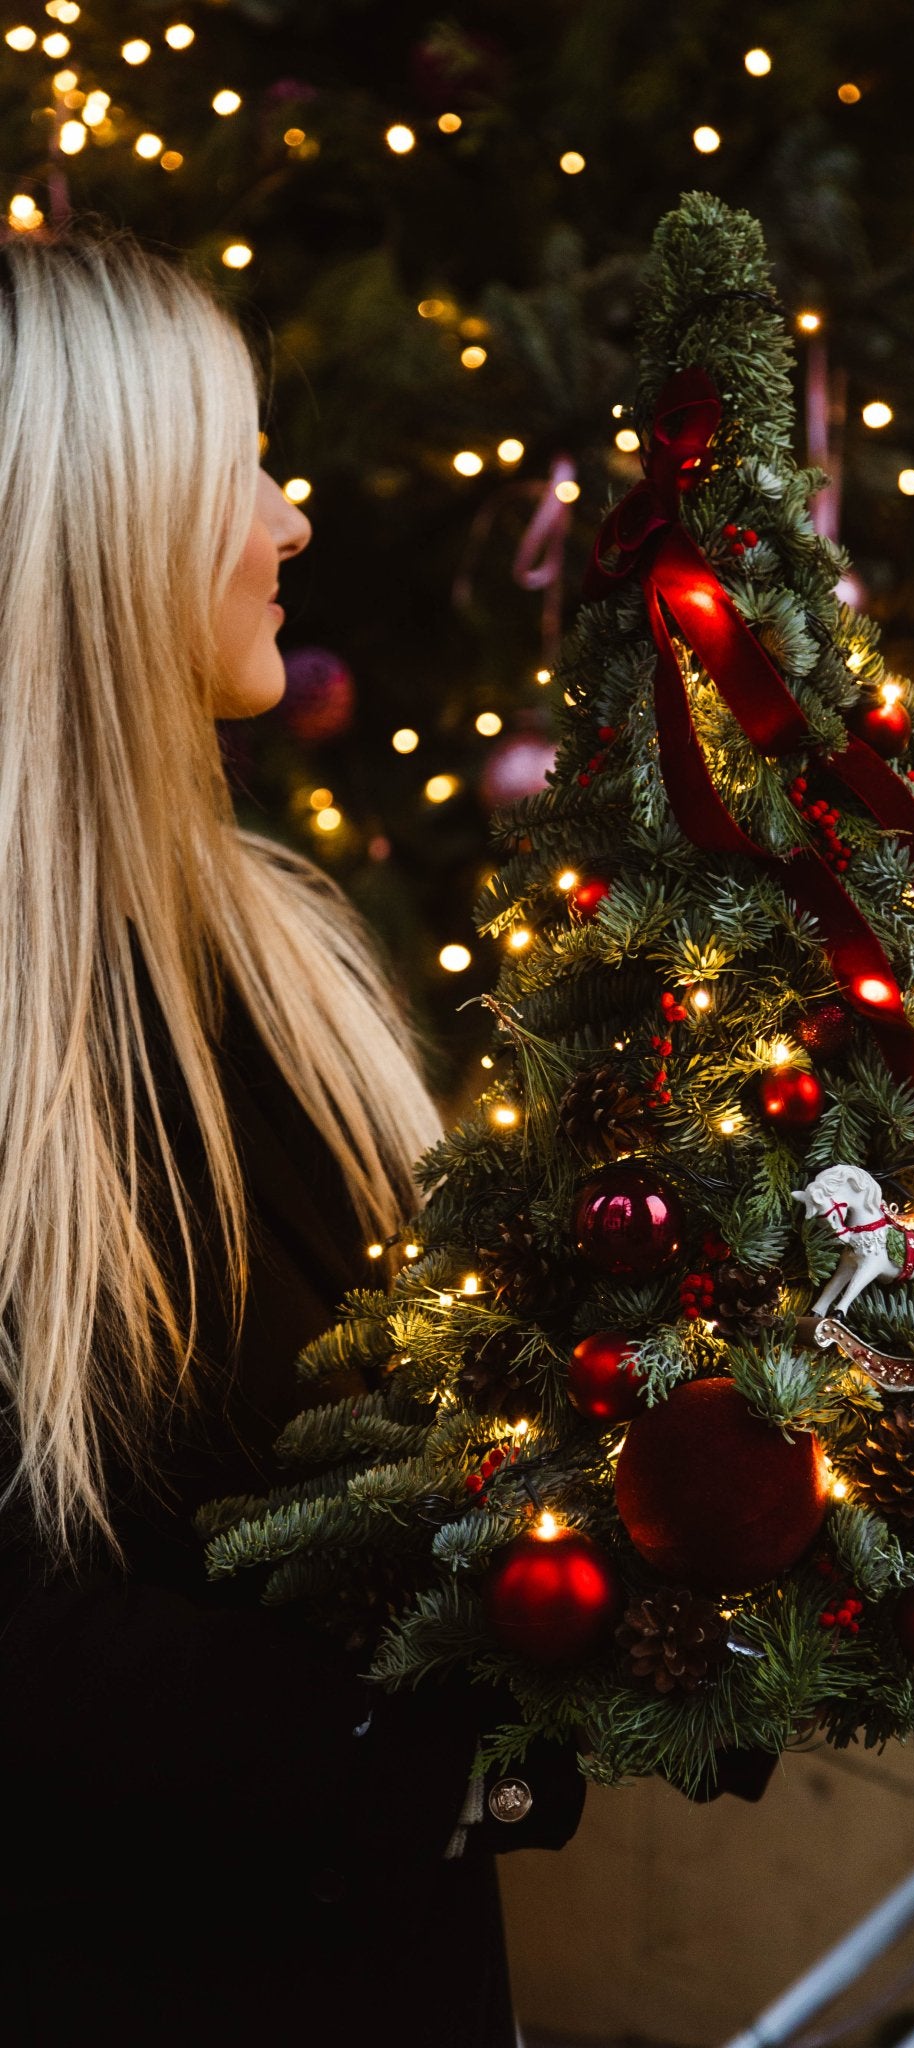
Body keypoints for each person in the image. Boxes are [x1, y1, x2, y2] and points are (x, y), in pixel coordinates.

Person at [0, 229, 582, 2047]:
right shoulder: (31, 1036)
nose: (290, 521)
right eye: (240, 464)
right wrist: (411, 1744)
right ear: (104, 528)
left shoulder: (283, 951)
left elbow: (415, 1434)